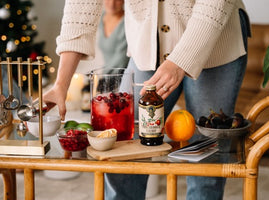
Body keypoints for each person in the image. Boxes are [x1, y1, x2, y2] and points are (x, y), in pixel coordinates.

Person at [44, 0, 250, 199]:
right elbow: (80, 7)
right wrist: (61, 84)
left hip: (214, 39)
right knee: (120, 149)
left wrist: (180, 62)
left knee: (207, 156)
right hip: (147, 43)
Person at [97, 0, 129, 71]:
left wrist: (102, 75)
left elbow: (121, 60)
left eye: (117, 0)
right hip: (106, 74)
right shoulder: (100, 17)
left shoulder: (127, 22)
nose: (112, 4)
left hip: (122, 75)